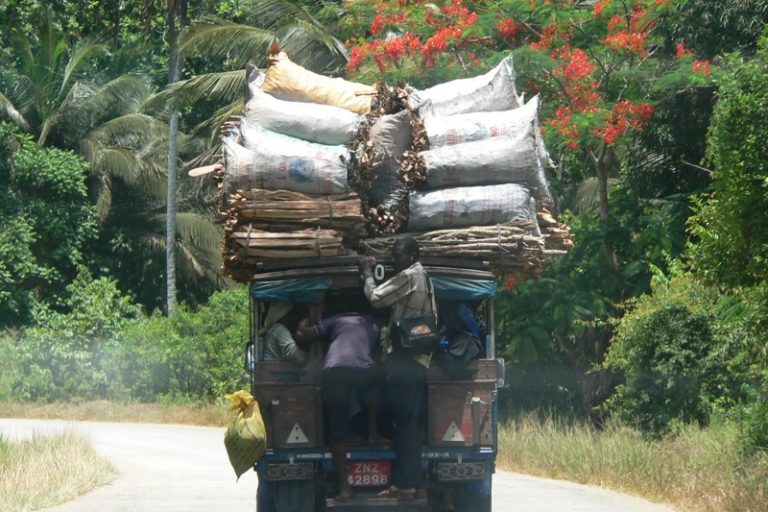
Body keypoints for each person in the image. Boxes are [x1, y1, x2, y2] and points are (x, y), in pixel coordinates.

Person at [359, 237, 435, 501]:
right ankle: (414, 482)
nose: (395, 262)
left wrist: (368, 275)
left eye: (399, 256)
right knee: (410, 423)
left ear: (413, 255)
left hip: (403, 361)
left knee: (403, 423)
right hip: (419, 361)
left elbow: (376, 298)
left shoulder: (409, 276)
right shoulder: (426, 277)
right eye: (393, 256)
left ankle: (405, 484)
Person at [294, 310, 381, 501]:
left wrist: (305, 318)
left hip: (334, 369)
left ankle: (344, 488)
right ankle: (373, 434)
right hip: (361, 367)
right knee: (374, 387)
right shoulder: (371, 323)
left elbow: (303, 334)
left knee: (337, 430)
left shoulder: (334, 320)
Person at [262, 302, 307, 367]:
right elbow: (299, 360)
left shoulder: (274, 329)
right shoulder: (279, 330)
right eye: (293, 314)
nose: (295, 318)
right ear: (287, 315)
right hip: (276, 376)